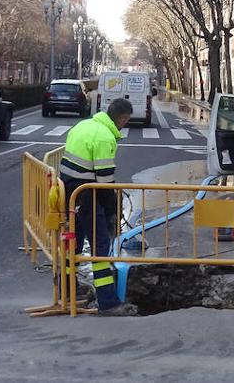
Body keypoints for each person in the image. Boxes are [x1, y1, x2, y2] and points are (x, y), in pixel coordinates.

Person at [60, 97, 135, 315]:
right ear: (121, 119)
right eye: (126, 121)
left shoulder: (83, 125)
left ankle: (67, 289)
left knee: (72, 245)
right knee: (100, 249)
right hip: (88, 198)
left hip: (70, 195)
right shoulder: (104, 138)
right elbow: (104, 182)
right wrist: (112, 212)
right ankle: (108, 303)